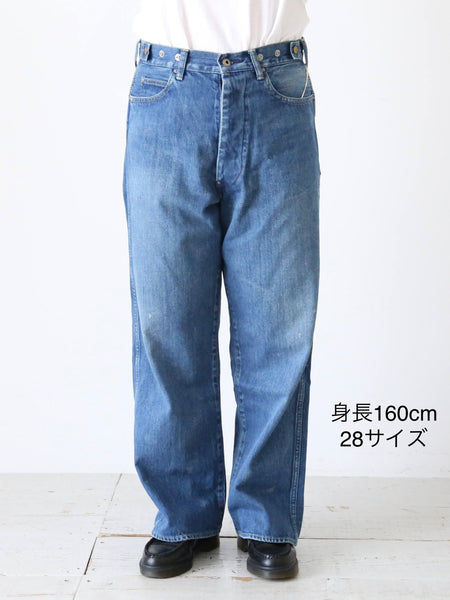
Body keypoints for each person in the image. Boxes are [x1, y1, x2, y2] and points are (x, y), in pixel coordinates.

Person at [122, 0, 321, 580]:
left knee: (279, 324)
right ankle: (182, 513)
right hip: (167, 85)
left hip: (275, 83)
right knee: (165, 320)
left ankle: (267, 518)